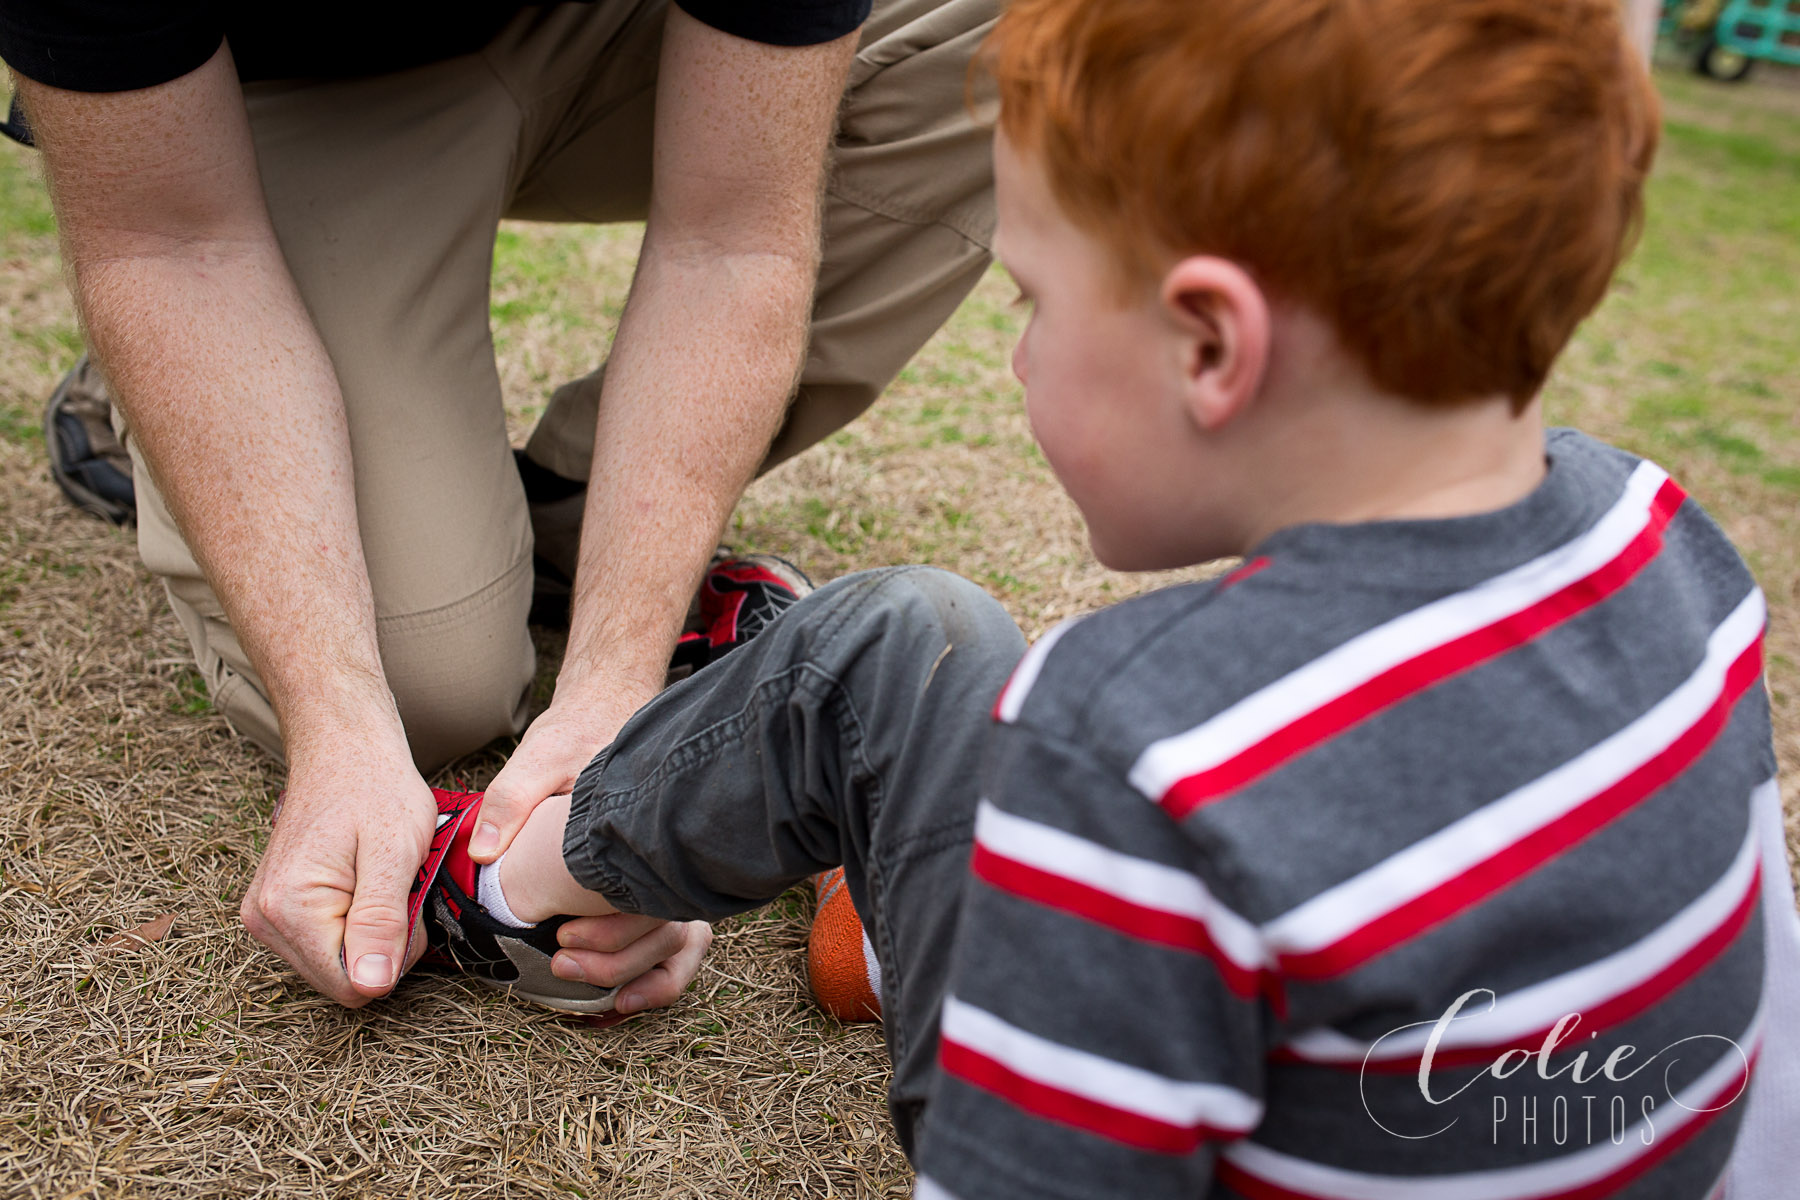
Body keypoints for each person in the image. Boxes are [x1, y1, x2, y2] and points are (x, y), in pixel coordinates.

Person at [390, 0, 1800, 1193]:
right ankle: (857, 912)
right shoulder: (1667, 538)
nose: (1019, 357)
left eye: (1034, 302)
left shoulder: (1128, 753)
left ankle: (510, 894)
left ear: (1211, 347)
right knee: (910, 645)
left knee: (878, 648)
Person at [1, 0, 998, 1013]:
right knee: (428, 686)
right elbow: (165, 245)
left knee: (1039, 45)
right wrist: (338, 723)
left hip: (612, 31)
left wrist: (616, 692)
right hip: (276, 98)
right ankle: (180, 384)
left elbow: (732, 240)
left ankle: (568, 519)